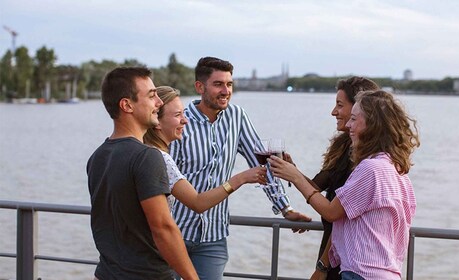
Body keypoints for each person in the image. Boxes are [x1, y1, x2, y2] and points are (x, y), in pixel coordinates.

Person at [169, 56, 311, 280]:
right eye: (218, 84)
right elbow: (165, 180)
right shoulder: (179, 121)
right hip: (175, 234)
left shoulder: (237, 116)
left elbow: (261, 164)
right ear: (199, 87)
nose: (226, 91)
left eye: (229, 84)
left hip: (213, 239)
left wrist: (285, 208)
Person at [270, 90, 420, 280]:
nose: (348, 124)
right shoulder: (397, 170)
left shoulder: (371, 168)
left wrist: (297, 178)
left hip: (362, 273)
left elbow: (332, 212)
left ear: (372, 125)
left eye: (354, 119)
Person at [86, 67, 198, 280]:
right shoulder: (147, 157)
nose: (158, 103)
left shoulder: (97, 157)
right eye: (151, 95)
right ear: (127, 105)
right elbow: (163, 227)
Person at [143, 86, 268, 213]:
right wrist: (241, 178)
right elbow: (198, 203)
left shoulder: (144, 152)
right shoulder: (161, 159)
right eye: (177, 115)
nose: (185, 120)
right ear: (156, 121)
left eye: (183, 113)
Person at [309, 77, 380, 280]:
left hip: (343, 259)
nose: (334, 112)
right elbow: (315, 187)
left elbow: (340, 215)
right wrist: (287, 169)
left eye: (340, 105)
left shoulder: (366, 159)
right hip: (336, 254)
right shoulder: (344, 146)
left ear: (361, 108)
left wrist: (322, 266)